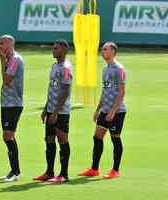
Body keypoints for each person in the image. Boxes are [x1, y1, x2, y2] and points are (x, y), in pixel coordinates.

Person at [78, 42, 127, 179]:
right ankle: (94, 169)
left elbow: (121, 92)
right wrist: (98, 109)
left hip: (117, 112)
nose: (102, 51)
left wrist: (113, 111)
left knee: (115, 139)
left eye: (105, 49)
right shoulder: (105, 69)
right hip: (105, 110)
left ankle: (115, 170)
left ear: (113, 52)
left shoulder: (119, 69)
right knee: (97, 137)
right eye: (102, 49)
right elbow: (105, 91)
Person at [33, 39, 73, 184]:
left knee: (62, 140)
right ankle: (49, 172)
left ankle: (64, 174)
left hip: (61, 112)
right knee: (49, 140)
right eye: (53, 48)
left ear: (63, 50)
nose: (53, 50)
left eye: (56, 48)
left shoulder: (66, 68)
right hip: (51, 110)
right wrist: (46, 109)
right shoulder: (54, 66)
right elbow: (52, 90)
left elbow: (65, 91)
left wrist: (56, 111)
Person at [0, 35, 24, 182]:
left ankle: (16, 172)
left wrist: (2, 61)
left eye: (2, 43)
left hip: (13, 104)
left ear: (10, 44)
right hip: (7, 103)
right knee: (8, 136)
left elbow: (6, 80)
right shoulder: (10, 59)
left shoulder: (14, 60)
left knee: (7, 135)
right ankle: (14, 171)